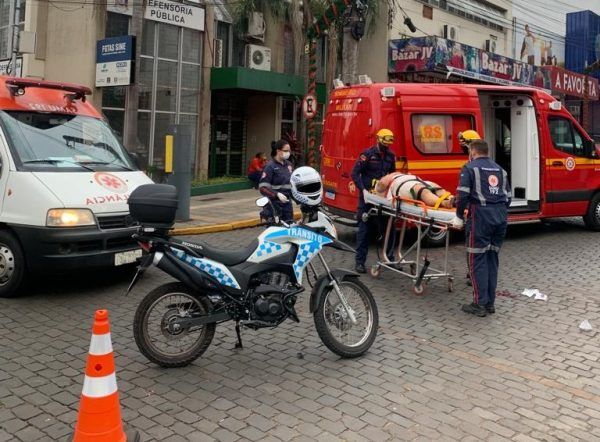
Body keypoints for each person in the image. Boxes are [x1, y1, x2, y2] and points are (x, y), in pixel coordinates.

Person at [456, 139, 511, 317]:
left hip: (480, 217)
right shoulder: (500, 170)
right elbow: (508, 198)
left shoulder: (470, 168)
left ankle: (479, 304)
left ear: (472, 151)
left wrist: (459, 215)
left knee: (477, 260)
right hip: (500, 217)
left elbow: (462, 196)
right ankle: (489, 304)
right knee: (491, 259)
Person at [351, 128, 396, 273]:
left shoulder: (390, 156)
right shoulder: (367, 155)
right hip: (367, 198)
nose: (386, 146)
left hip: (382, 198)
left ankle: (389, 258)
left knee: (389, 227)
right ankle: (360, 262)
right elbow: (355, 173)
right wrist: (363, 190)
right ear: (378, 139)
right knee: (364, 231)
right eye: (384, 143)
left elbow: (392, 176)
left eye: (389, 143)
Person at [374, 172, 455, 209]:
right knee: (422, 189)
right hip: (405, 184)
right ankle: (444, 202)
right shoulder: (382, 184)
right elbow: (382, 185)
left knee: (431, 186)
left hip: (412, 180)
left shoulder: (393, 176)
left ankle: (451, 199)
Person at [258, 140, 294, 223]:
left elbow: (293, 184)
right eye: (286, 151)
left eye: (289, 151)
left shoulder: (289, 165)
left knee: (289, 229)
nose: (288, 153)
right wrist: (276, 194)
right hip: (274, 205)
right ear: (278, 151)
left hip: (287, 205)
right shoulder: (270, 166)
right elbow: (263, 188)